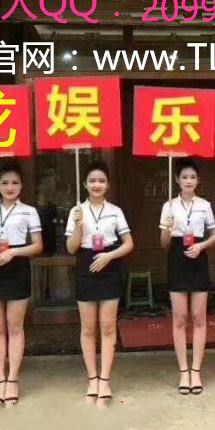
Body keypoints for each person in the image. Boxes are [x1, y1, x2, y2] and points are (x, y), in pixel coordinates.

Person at [65, 161, 134, 408]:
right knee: (87, 329)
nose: (97, 184)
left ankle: (105, 380)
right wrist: (77, 226)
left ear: (108, 185)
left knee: (107, 327)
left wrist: (109, 256)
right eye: (92, 180)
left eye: (101, 181)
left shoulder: (115, 211)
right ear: (85, 184)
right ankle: (92, 379)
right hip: (85, 265)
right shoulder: (77, 212)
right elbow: (71, 248)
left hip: (109, 265)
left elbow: (128, 244)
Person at [0, 160, 43, 406]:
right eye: (5, 183)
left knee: (15, 327)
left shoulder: (29, 211)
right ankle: (0, 380)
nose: (10, 187)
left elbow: (37, 246)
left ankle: (13, 379)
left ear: (21, 185)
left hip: (17, 265)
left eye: (15, 182)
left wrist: (14, 252)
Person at [160, 158, 215, 395]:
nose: (188, 181)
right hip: (177, 258)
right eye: (184, 177)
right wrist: (167, 228)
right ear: (177, 179)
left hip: (198, 258)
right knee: (179, 318)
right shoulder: (169, 206)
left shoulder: (205, 205)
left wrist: (201, 245)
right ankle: (183, 371)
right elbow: (164, 244)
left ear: (197, 180)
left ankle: (196, 370)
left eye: (192, 177)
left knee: (199, 317)